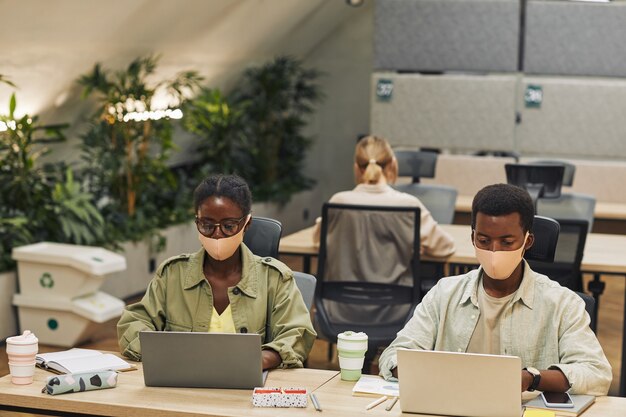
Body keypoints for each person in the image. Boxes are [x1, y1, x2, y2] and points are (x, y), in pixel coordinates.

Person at [378, 183, 612, 395]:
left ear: (527, 241)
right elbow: (392, 356)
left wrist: (530, 378)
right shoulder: (444, 294)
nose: (494, 250)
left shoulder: (562, 303)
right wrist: (434, 374)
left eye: (507, 242)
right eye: (484, 240)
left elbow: (596, 374)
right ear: (472, 237)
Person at [117, 174, 316, 370]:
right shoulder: (173, 275)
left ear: (246, 224)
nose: (218, 234)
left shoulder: (274, 278)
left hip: (249, 387)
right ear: (197, 223)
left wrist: (260, 360)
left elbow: (296, 332)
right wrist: (169, 355)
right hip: (182, 385)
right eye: (207, 225)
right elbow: (134, 323)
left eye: (229, 226)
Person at [314, 135, 455, 257]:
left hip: (341, 288)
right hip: (397, 288)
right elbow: (445, 247)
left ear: (356, 168)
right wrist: (413, 244)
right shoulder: (408, 204)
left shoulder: (339, 201)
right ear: (393, 164)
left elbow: (318, 240)